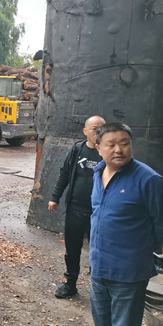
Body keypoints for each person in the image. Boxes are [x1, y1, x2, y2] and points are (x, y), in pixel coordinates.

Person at [90, 122, 163, 326]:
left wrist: (140, 248)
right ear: (98, 148)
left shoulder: (148, 180)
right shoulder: (98, 173)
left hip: (128, 275)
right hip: (99, 269)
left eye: (124, 143)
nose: (118, 150)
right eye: (111, 144)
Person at [48, 115, 105, 298]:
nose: (98, 132)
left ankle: (99, 289)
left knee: (99, 252)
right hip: (75, 209)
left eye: (102, 128)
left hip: (99, 213)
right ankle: (70, 284)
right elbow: (64, 174)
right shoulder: (77, 150)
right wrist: (55, 197)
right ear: (85, 131)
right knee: (72, 250)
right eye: (94, 129)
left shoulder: (108, 152)